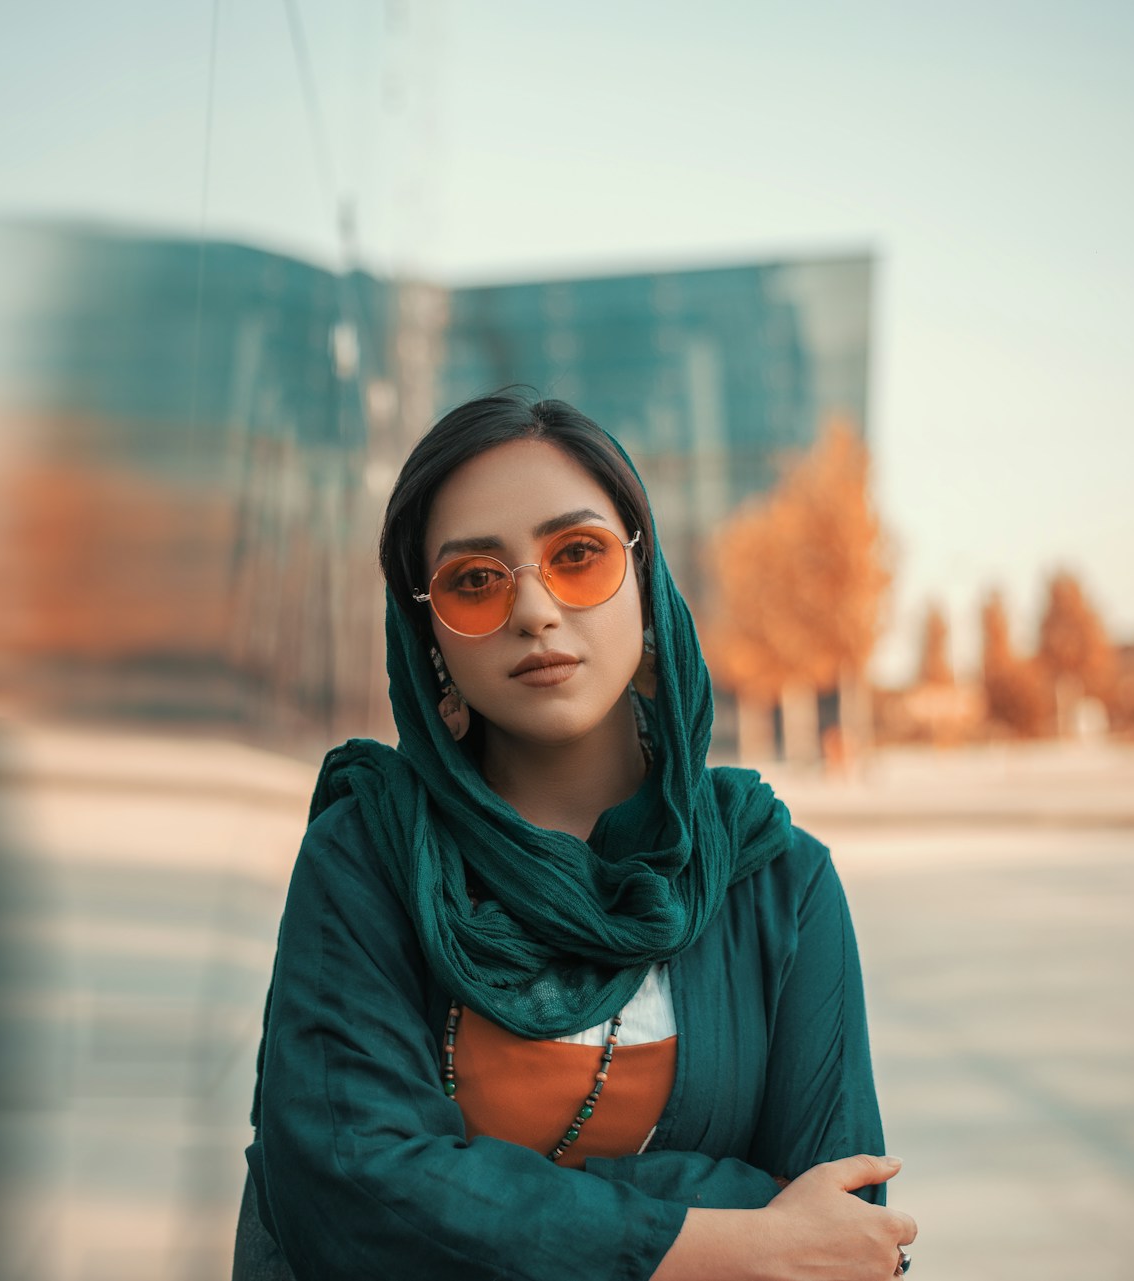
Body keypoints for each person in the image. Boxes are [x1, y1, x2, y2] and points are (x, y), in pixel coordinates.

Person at [237, 393, 918, 1280]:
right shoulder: (369, 853)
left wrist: (477, 1199)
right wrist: (726, 1233)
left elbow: (841, 1240)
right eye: (475, 578)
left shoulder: (777, 882)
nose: (535, 609)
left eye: (579, 556)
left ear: (645, 583)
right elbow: (351, 1196)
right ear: (429, 636)